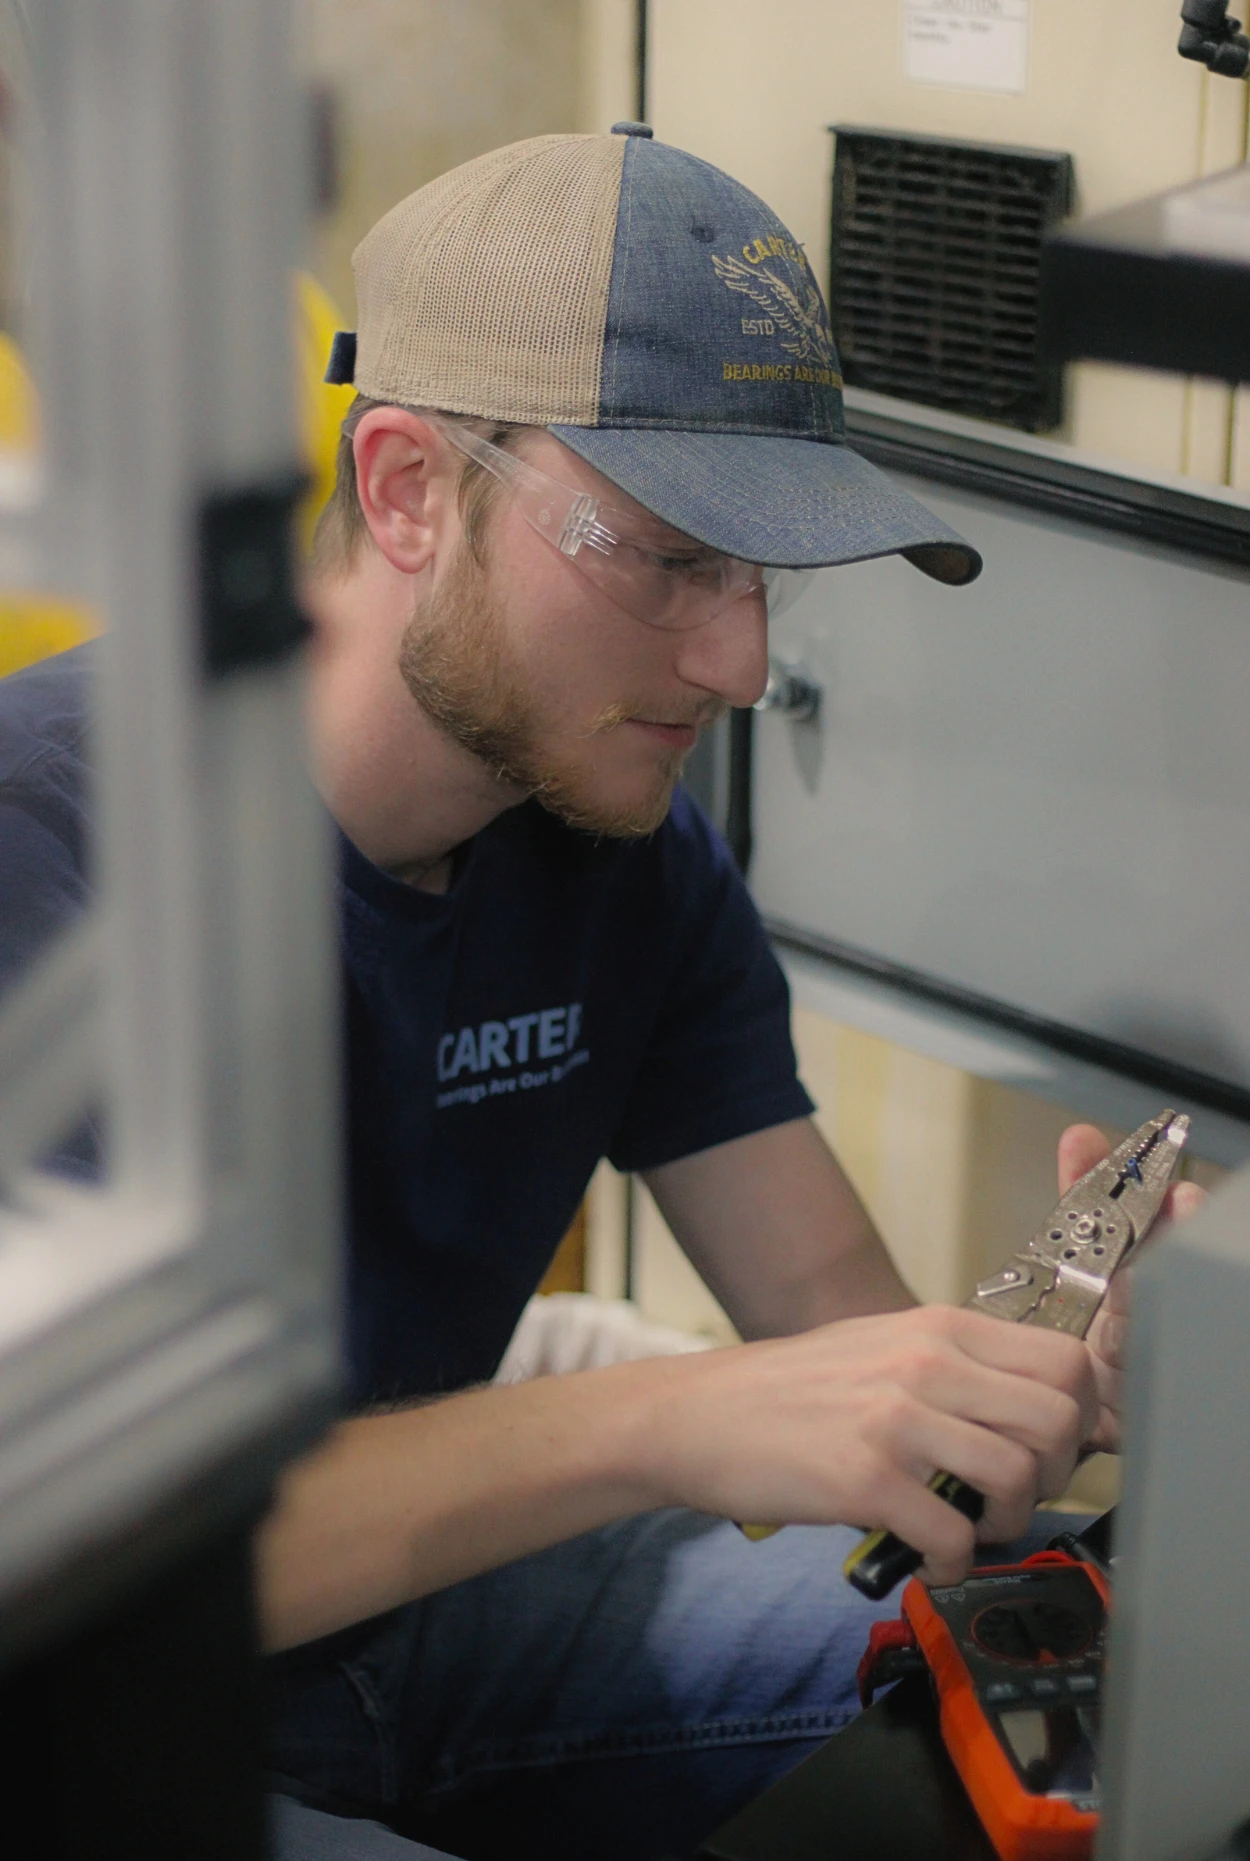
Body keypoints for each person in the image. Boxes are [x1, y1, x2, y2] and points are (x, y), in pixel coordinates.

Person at [0, 127, 1202, 1861]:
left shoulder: (614, 844)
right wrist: (664, 1418)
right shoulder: (54, 855)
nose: (738, 664)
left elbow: (832, 1334)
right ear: (408, 487)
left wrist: (1053, 1391)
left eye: (758, 572)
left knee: (1099, 1682)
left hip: (418, 1631)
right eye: (664, 557)